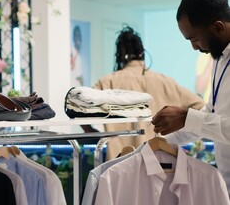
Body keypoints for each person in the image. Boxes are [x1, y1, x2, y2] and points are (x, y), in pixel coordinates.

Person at [152, 0, 230, 193]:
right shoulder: (220, 59)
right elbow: (210, 117)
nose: (194, 48)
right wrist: (159, 143)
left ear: (219, 27)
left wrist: (187, 116)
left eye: (194, 39)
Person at [86, 25, 204, 160]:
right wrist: (177, 133)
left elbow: (80, 106)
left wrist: (93, 134)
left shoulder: (107, 82)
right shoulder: (165, 82)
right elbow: (200, 106)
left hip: (119, 163)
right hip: (159, 159)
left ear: (119, 54)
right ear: (142, 52)